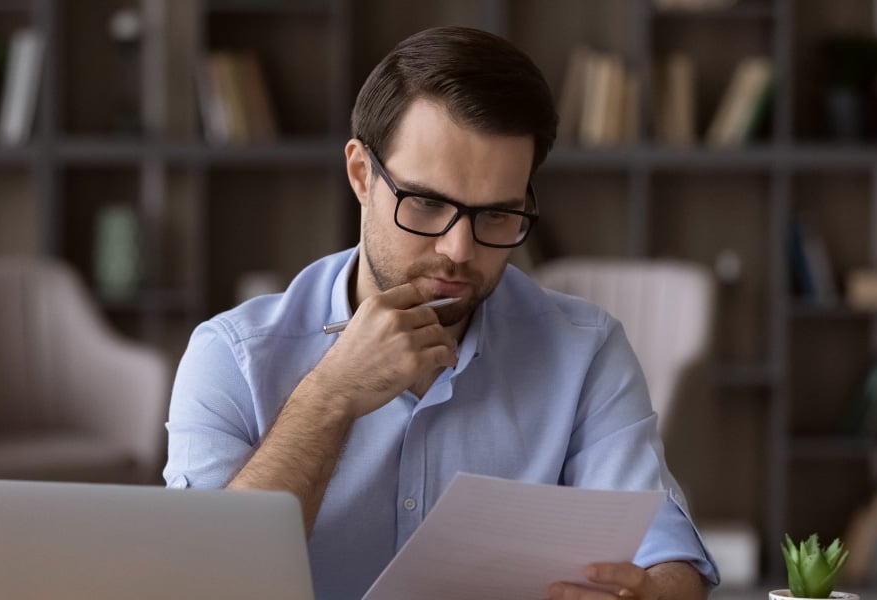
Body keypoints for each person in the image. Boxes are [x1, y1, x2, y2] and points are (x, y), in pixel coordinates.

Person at [163, 26, 718, 600]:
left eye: (498, 216)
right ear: (361, 175)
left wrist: (650, 595)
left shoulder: (585, 351)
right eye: (427, 204)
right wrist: (330, 395)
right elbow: (202, 584)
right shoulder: (231, 355)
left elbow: (669, 559)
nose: (458, 250)